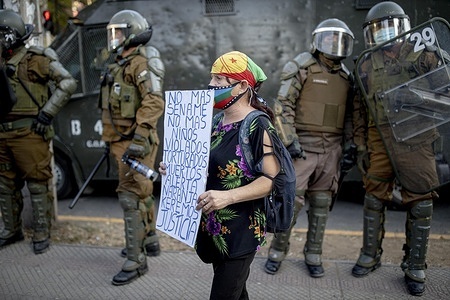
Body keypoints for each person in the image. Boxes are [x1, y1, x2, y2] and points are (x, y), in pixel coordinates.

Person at [160, 50, 281, 300]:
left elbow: (271, 181)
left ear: (242, 86)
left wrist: (227, 197)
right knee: (237, 292)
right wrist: (176, 169)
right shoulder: (215, 122)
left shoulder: (260, 126)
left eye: (219, 80)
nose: (211, 85)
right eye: (212, 78)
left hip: (241, 233)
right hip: (216, 230)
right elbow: (206, 164)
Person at [351, 2, 448, 296]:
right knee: (373, 196)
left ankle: (414, 263)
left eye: (387, 28)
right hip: (379, 138)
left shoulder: (425, 54)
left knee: (420, 201)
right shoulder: (366, 63)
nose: (383, 35)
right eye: (377, 30)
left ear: (401, 27)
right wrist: (360, 144)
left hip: (415, 139)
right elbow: (360, 108)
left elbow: (446, 94)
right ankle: (371, 254)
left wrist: (415, 98)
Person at [263, 18, 355, 278]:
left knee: (322, 204)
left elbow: (350, 116)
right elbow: (282, 106)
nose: (334, 46)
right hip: (302, 147)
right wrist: (290, 141)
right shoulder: (301, 66)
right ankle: (277, 251)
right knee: (291, 203)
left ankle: (313, 253)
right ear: (317, 41)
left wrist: (351, 147)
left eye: (340, 41)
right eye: (329, 39)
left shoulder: (346, 77)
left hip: (332, 150)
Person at [0, 10, 76, 254]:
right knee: (5, 186)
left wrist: (47, 113)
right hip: (2, 134)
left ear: (9, 36)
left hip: (30, 133)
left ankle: (42, 233)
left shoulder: (36, 58)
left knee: (37, 185)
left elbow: (67, 83)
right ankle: (12, 230)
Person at [99, 10, 165, 286]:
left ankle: (136, 260)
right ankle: (148, 239)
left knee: (130, 197)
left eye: (120, 32)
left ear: (133, 33)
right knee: (142, 193)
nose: (115, 38)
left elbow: (154, 101)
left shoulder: (141, 63)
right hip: (120, 139)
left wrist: (138, 140)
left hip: (133, 141)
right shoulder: (120, 62)